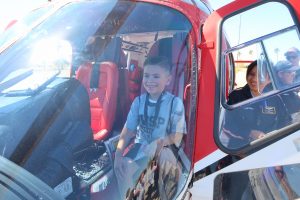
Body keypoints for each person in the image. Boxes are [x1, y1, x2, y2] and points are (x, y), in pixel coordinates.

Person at [114, 56, 187, 198]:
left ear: (168, 80)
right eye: (146, 76)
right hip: (141, 147)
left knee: (165, 166)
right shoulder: (138, 102)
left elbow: (177, 135)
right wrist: (118, 155)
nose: (150, 81)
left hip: (164, 147)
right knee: (123, 167)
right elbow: (128, 131)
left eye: (156, 76)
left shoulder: (174, 103)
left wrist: (158, 144)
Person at [223, 60, 289, 148]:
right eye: (251, 74)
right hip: (240, 150)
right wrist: (249, 133)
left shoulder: (275, 97)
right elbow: (226, 125)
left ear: (269, 79)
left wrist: (273, 136)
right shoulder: (236, 96)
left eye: (259, 76)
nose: (254, 79)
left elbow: (285, 121)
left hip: (268, 148)